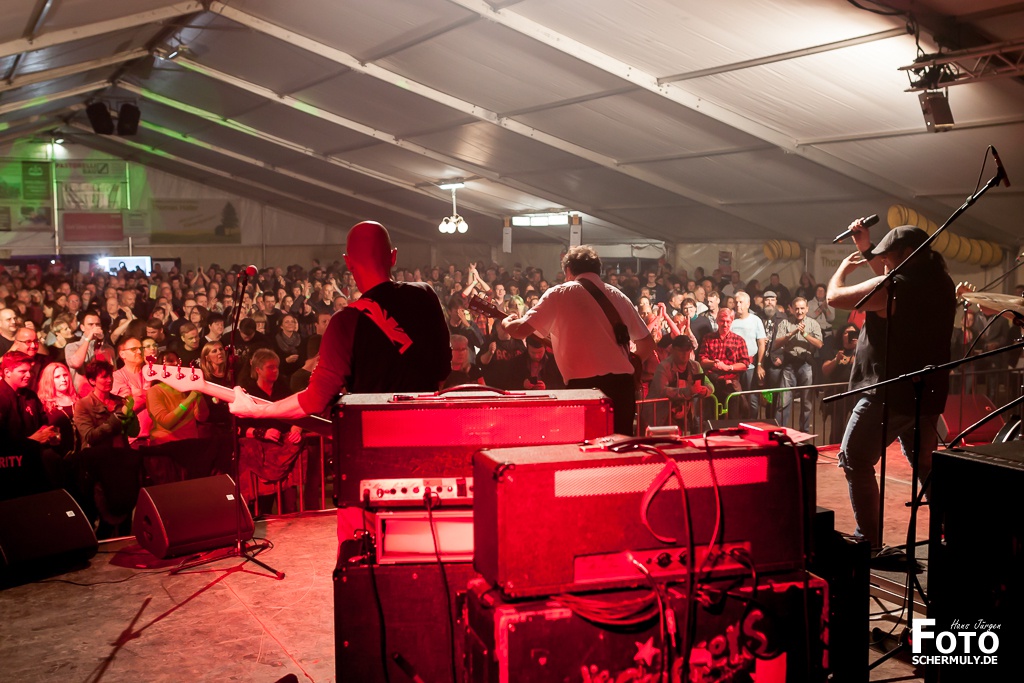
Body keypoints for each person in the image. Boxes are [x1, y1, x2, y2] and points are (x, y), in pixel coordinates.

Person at [230, 221, 452, 421]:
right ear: (393, 257)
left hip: (375, 435)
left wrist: (258, 410)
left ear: (348, 262)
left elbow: (316, 399)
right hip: (430, 425)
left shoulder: (345, 321)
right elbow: (443, 368)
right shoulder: (425, 294)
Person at [826, 223, 955, 551]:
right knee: (925, 464)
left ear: (907, 254)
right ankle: (953, 533)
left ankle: (869, 543)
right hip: (926, 391)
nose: (884, 262)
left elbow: (834, 297)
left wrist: (841, 271)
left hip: (888, 392)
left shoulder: (894, 288)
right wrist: (867, 248)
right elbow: (891, 283)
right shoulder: (940, 282)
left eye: (889, 256)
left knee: (854, 458)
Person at [500, 245, 655, 436]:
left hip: (584, 389)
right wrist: (633, 362)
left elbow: (520, 330)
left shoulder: (559, 293)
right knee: (620, 447)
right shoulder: (618, 296)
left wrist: (506, 322)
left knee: (585, 448)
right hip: (623, 388)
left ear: (568, 270)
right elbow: (647, 343)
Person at [773, 297, 823, 432]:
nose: (799, 311)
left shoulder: (813, 324)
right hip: (789, 364)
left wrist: (805, 334)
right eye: (796, 309)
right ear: (791, 309)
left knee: (806, 402)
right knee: (783, 401)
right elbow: (776, 344)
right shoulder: (785, 323)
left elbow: (819, 344)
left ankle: (804, 432)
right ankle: (779, 432)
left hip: (806, 363)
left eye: (802, 308)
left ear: (807, 309)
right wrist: (792, 333)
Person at [647, 335, 711, 434]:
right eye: (681, 350)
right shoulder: (663, 367)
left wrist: (705, 390)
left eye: (687, 350)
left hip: (685, 416)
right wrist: (687, 391)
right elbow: (662, 390)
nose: (685, 353)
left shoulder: (695, 366)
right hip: (662, 416)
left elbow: (709, 384)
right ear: (673, 350)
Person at [697, 308, 751, 417]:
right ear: (717, 321)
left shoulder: (739, 340)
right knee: (712, 417)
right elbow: (701, 360)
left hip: (731, 384)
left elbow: (745, 364)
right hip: (712, 383)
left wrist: (728, 367)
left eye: (728, 321)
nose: (725, 324)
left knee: (733, 417)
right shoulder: (708, 338)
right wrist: (713, 363)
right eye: (722, 321)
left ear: (732, 321)